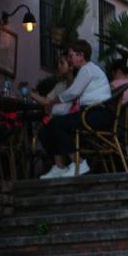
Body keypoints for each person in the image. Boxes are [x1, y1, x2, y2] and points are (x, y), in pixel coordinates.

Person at [38, 40, 112, 179]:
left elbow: (73, 92)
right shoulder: (87, 70)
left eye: (71, 55)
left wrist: (53, 101)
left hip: (97, 113)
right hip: (90, 112)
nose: (70, 59)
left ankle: (79, 163)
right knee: (46, 128)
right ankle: (60, 167)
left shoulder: (87, 69)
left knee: (55, 124)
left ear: (81, 55)